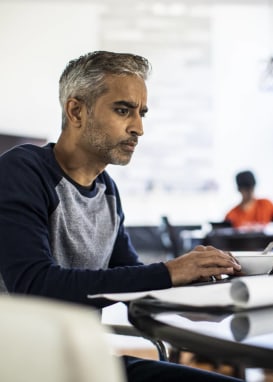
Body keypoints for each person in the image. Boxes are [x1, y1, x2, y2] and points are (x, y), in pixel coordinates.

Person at [0, 51, 242, 382]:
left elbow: (131, 278)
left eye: (142, 113)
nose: (139, 128)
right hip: (24, 367)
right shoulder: (22, 170)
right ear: (76, 111)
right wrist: (167, 272)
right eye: (123, 110)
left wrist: (202, 286)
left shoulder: (106, 190)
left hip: (81, 363)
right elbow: (35, 286)